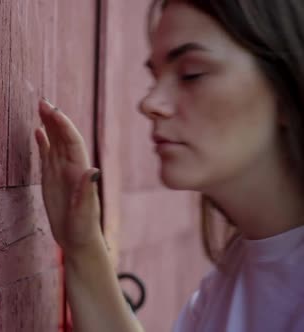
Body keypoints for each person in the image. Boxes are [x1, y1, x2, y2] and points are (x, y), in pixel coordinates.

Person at [34, 0, 304, 331]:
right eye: (156, 77)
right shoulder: (237, 270)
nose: (149, 103)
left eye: (192, 74)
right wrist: (82, 244)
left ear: (288, 87)